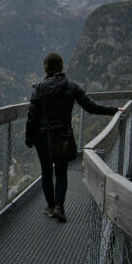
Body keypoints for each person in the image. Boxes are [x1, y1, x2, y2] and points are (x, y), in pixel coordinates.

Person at [24, 52, 119, 222]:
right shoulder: (71, 87)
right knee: (61, 172)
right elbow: (91, 107)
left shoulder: (38, 89)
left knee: (46, 172)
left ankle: (50, 206)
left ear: (45, 68)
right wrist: (113, 110)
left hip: (42, 137)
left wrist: (29, 139)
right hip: (62, 136)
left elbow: (32, 118)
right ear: (61, 67)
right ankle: (60, 207)